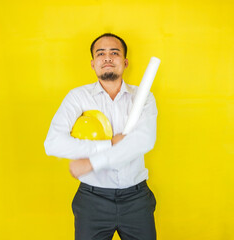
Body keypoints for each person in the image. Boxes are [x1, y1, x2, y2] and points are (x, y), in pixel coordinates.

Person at [44, 33, 158, 240]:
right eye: (101, 54)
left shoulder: (143, 97)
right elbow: (53, 143)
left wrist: (92, 162)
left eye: (114, 53)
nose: (107, 58)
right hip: (91, 200)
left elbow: (144, 141)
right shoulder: (78, 97)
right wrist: (109, 144)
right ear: (93, 63)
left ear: (124, 62)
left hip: (137, 199)